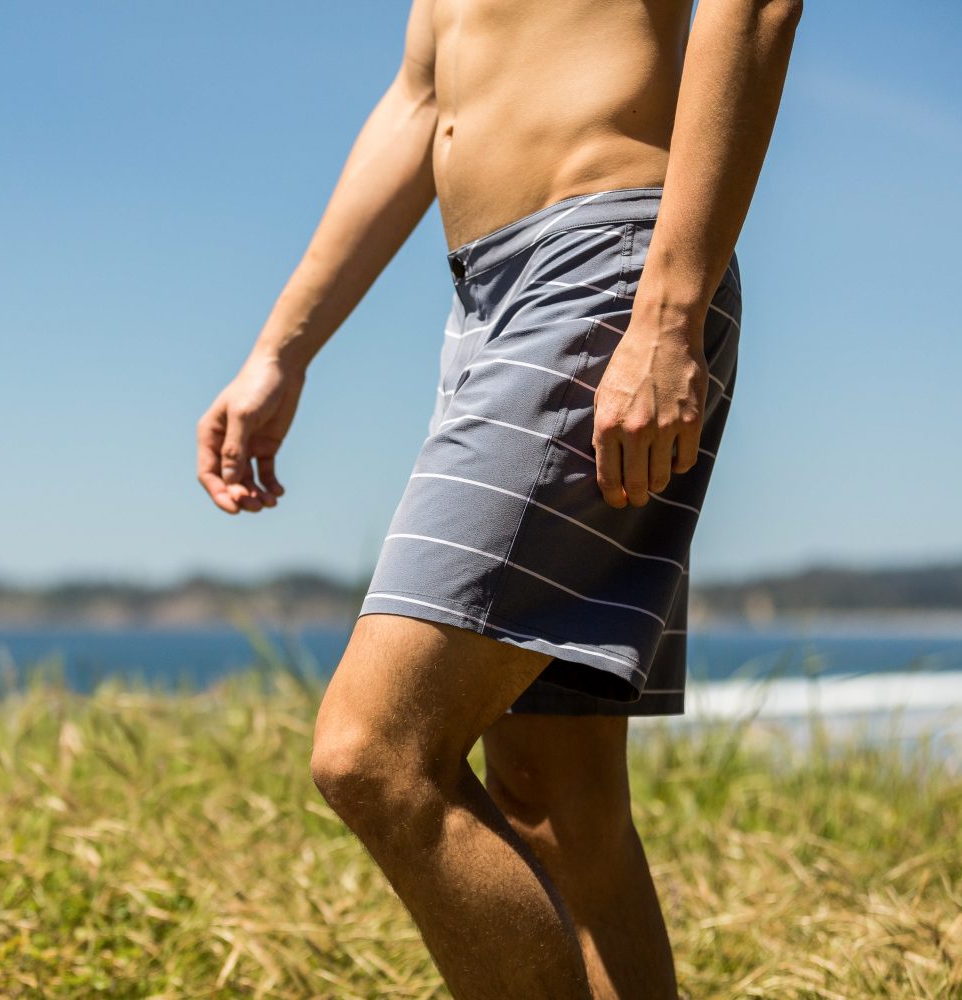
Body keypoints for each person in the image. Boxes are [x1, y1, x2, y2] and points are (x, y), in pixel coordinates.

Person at [197, 0, 802, 995]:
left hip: (609, 269)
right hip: (486, 302)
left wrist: (668, 309)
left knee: (372, 754)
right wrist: (281, 350)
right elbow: (420, 99)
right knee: (555, 801)